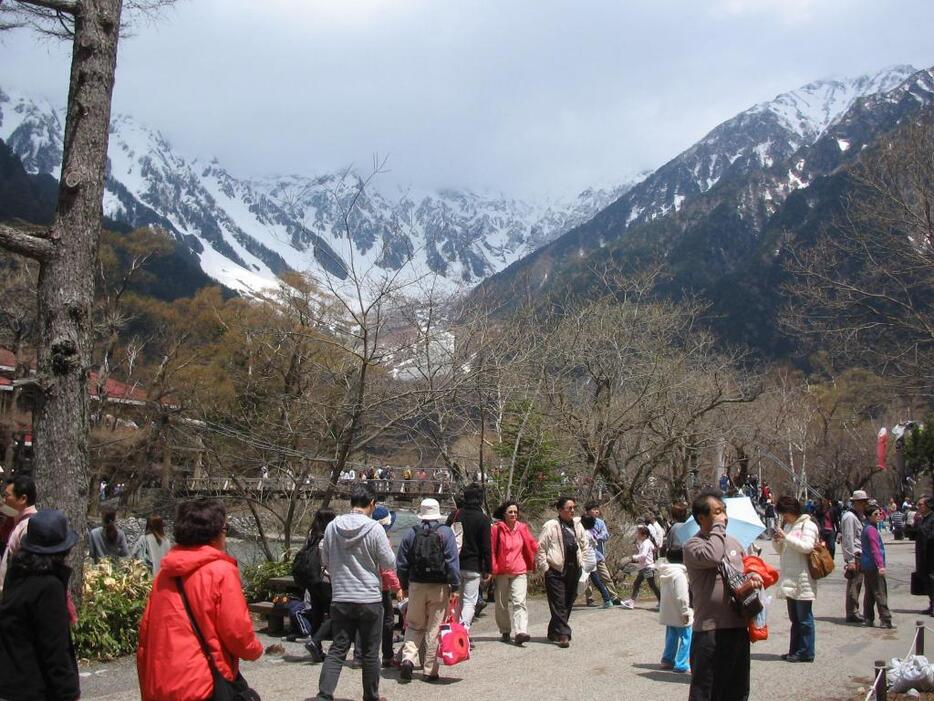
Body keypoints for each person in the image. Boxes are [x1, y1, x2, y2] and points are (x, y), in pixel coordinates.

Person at [137, 499, 263, 701]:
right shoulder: (220, 571)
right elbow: (236, 630)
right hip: (201, 681)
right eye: (225, 529)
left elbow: (147, 631)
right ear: (214, 534)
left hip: (161, 681)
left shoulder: (164, 573)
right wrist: (254, 649)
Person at [315, 484, 395, 701]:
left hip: (341, 596)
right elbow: (389, 562)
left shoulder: (332, 527)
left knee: (338, 649)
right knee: (370, 653)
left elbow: (325, 559)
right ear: (371, 504)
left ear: (351, 503)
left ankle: (324, 695)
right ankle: (371, 696)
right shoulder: (375, 528)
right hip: (369, 597)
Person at [684, 489, 763, 701]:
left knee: (736, 689)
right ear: (701, 518)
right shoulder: (693, 545)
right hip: (710, 630)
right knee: (707, 691)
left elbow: (747, 567)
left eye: (724, 511)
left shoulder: (735, 543)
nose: (724, 517)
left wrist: (753, 575)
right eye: (717, 512)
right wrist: (718, 528)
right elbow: (713, 555)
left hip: (737, 626)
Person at [0, 509, 80, 701]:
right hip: (33, 688)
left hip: (9, 681)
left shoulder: (17, 574)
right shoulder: (48, 587)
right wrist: (68, 693)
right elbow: (54, 648)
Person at [396, 497, 460, 682]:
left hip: (416, 584)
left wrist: (403, 584)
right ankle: (429, 670)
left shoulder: (411, 533)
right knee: (434, 627)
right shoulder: (445, 533)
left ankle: (408, 658)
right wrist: (454, 585)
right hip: (439, 586)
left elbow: (401, 563)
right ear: (437, 514)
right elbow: (452, 562)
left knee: (414, 624)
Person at [535, 496, 593, 648]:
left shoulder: (577, 525)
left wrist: (584, 564)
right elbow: (540, 547)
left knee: (568, 601)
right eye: (569, 508)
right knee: (559, 602)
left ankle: (553, 631)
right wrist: (545, 567)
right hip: (555, 570)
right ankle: (563, 634)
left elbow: (584, 545)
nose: (572, 510)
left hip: (574, 569)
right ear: (560, 510)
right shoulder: (551, 526)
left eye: (574, 507)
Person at [773, 495, 818, 663]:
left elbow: (807, 547)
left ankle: (806, 651)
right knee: (794, 619)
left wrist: (787, 537)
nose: (784, 517)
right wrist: (777, 540)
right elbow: (781, 549)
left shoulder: (809, 525)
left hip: (803, 577)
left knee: (804, 618)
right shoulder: (788, 525)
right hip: (789, 577)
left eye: (785, 514)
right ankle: (795, 650)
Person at [490, 500, 538, 645]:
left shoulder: (522, 528)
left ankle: (521, 631)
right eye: (510, 512)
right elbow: (491, 550)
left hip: (519, 569)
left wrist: (542, 549)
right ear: (504, 514)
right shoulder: (496, 529)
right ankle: (505, 631)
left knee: (520, 602)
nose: (513, 514)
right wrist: (492, 569)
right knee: (501, 603)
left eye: (515, 512)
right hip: (501, 571)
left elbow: (532, 544)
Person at [449, 483, 492, 629]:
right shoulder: (483, 519)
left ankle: (452, 630)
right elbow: (486, 546)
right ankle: (463, 631)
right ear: (480, 499)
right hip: (473, 566)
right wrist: (488, 569)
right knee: (469, 602)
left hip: (454, 564)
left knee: (455, 600)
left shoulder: (455, 515)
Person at [300, 508, 337, 662]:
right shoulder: (329, 537)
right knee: (335, 614)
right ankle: (315, 641)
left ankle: (317, 648)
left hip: (312, 580)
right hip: (326, 580)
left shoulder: (311, 536)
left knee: (317, 614)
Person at [372, 505, 403, 667]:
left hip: (366, 586)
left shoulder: (364, 535)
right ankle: (387, 655)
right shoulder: (383, 539)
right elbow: (388, 569)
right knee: (388, 621)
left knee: (365, 622)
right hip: (381, 588)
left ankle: (359, 655)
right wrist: (397, 587)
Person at [0, 474, 38, 595]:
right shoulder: (18, 522)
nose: (4, 500)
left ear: (22, 499)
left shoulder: (28, 526)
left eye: (7, 496)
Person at [658, 548, 693, 674]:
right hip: (679, 611)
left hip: (668, 610)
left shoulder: (665, 572)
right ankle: (681, 663)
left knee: (671, 636)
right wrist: (685, 611)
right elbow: (682, 596)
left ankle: (667, 660)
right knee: (686, 637)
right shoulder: (679, 575)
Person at [861, 504, 895, 629]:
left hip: (867, 564)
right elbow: (875, 549)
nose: (879, 516)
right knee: (880, 592)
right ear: (869, 516)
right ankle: (885, 619)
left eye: (879, 513)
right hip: (873, 565)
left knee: (870, 593)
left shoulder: (868, 528)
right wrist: (880, 565)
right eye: (875, 514)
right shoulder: (870, 530)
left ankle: (868, 617)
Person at [841, 490, 870, 623]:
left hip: (862, 553)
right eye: (863, 502)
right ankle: (852, 611)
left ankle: (854, 609)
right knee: (854, 583)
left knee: (858, 583)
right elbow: (848, 538)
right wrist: (850, 559)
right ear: (856, 503)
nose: (865, 504)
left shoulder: (859, 516)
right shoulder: (849, 517)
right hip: (855, 555)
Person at [584, 501, 621, 606]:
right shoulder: (582, 522)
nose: (596, 511)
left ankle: (614, 596)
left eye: (597, 509)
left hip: (598, 555)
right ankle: (590, 599)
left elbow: (605, 535)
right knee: (587, 579)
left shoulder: (600, 522)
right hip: (586, 556)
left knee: (606, 576)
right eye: (593, 509)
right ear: (587, 511)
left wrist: (597, 537)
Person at [620, 525, 660, 609]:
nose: (637, 534)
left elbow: (643, 555)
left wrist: (633, 557)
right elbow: (653, 548)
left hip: (647, 568)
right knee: (638, 583)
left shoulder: (645, 543)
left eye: (639, 533)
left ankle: (662, 601)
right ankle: (631, 602)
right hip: (645, 567)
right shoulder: (647, 542)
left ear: (644, 535)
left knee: (652, 585)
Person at [580, 515, 614, 608]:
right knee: (596, 581)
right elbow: (595, 544)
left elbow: (581, 547)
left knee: (578, 580)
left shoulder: (584, 534)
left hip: (586, 561)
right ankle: (607, 600)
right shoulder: (592, 532)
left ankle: (567, 602)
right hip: (592, 559)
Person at [915, 495, 934, 616]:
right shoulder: (923, 518)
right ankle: (931, 603)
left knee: (932, 580)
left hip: (931, 555)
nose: (918, 507)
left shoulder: (932, 519)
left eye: (920, 504)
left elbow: (930, 536)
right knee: (926, 580)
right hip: (923, 555)